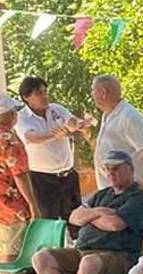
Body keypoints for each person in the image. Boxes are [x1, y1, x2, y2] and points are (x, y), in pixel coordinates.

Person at [31, 150, 143, 274]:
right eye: (107, 169)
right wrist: (100, 212)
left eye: (116, 168)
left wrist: (89, 217)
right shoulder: (102, 195)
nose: (110, 173)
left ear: (130, 170)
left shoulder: (138, 198)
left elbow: (115, 224)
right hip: (84, 249)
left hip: (120, 254)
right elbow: (74, 217)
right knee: (41, 258)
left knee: (89, 262)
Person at [14, 77, 89, 223]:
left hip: (68, 175)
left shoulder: (56, 109)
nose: (44, 96)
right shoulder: (22, 118)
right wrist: (54, 135)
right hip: (42, 179)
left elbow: (71, 120)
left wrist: (76, 124)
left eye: (45, 92)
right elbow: (31, 137)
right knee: (48, 221)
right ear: (26, 97)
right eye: (39, 93)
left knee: (77, 219)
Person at [1, 95, 41, 274]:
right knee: (11, 246)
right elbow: (20, 174)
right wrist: (33, 204)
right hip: (10, 204)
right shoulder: (9, 140)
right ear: (7, 114)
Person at [90, 75, 143, 191]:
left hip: (129, 191)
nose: (91, 95)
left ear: (103, 93)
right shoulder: (107, 115)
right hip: (110, 190)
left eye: (93, 91)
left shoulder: (128, 116)